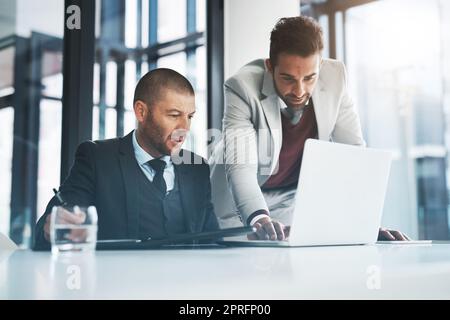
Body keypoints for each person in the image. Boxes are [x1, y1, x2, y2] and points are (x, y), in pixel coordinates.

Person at [209, 16, 409, 242]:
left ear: (320, 66)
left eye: (310, 77)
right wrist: (259, 218)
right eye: (288, 78)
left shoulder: (335, 78)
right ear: (269, 67)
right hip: (238, 200)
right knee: (243, 268)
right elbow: (240, 168)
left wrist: (366, 225)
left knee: (290, 264)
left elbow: (353, 156)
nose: (299, 90)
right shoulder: (241, 87)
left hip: (290, 195)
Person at [34, 68, 219, 250]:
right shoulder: (97, 159)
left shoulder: (197, 168)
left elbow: (211, 241)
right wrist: (53, 227)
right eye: (174, 115)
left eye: (190, 116)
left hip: (186, 280)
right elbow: (48, 230)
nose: (184, 128)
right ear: (141, 112)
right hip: (117, 279)